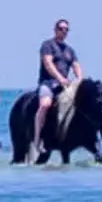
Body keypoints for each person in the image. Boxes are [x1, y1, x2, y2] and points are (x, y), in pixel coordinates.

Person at [33, 18, 81, 153]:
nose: (64, 31)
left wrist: (79, 79)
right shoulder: (47, 45)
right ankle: (37, 139)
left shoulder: (70, 50)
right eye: (61, 29)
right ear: (55, 30)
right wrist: (60, 78)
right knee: (45, 105)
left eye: (66, 29)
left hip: (64, 85)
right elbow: (48, 64)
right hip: (48, 83)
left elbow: (76, 65)